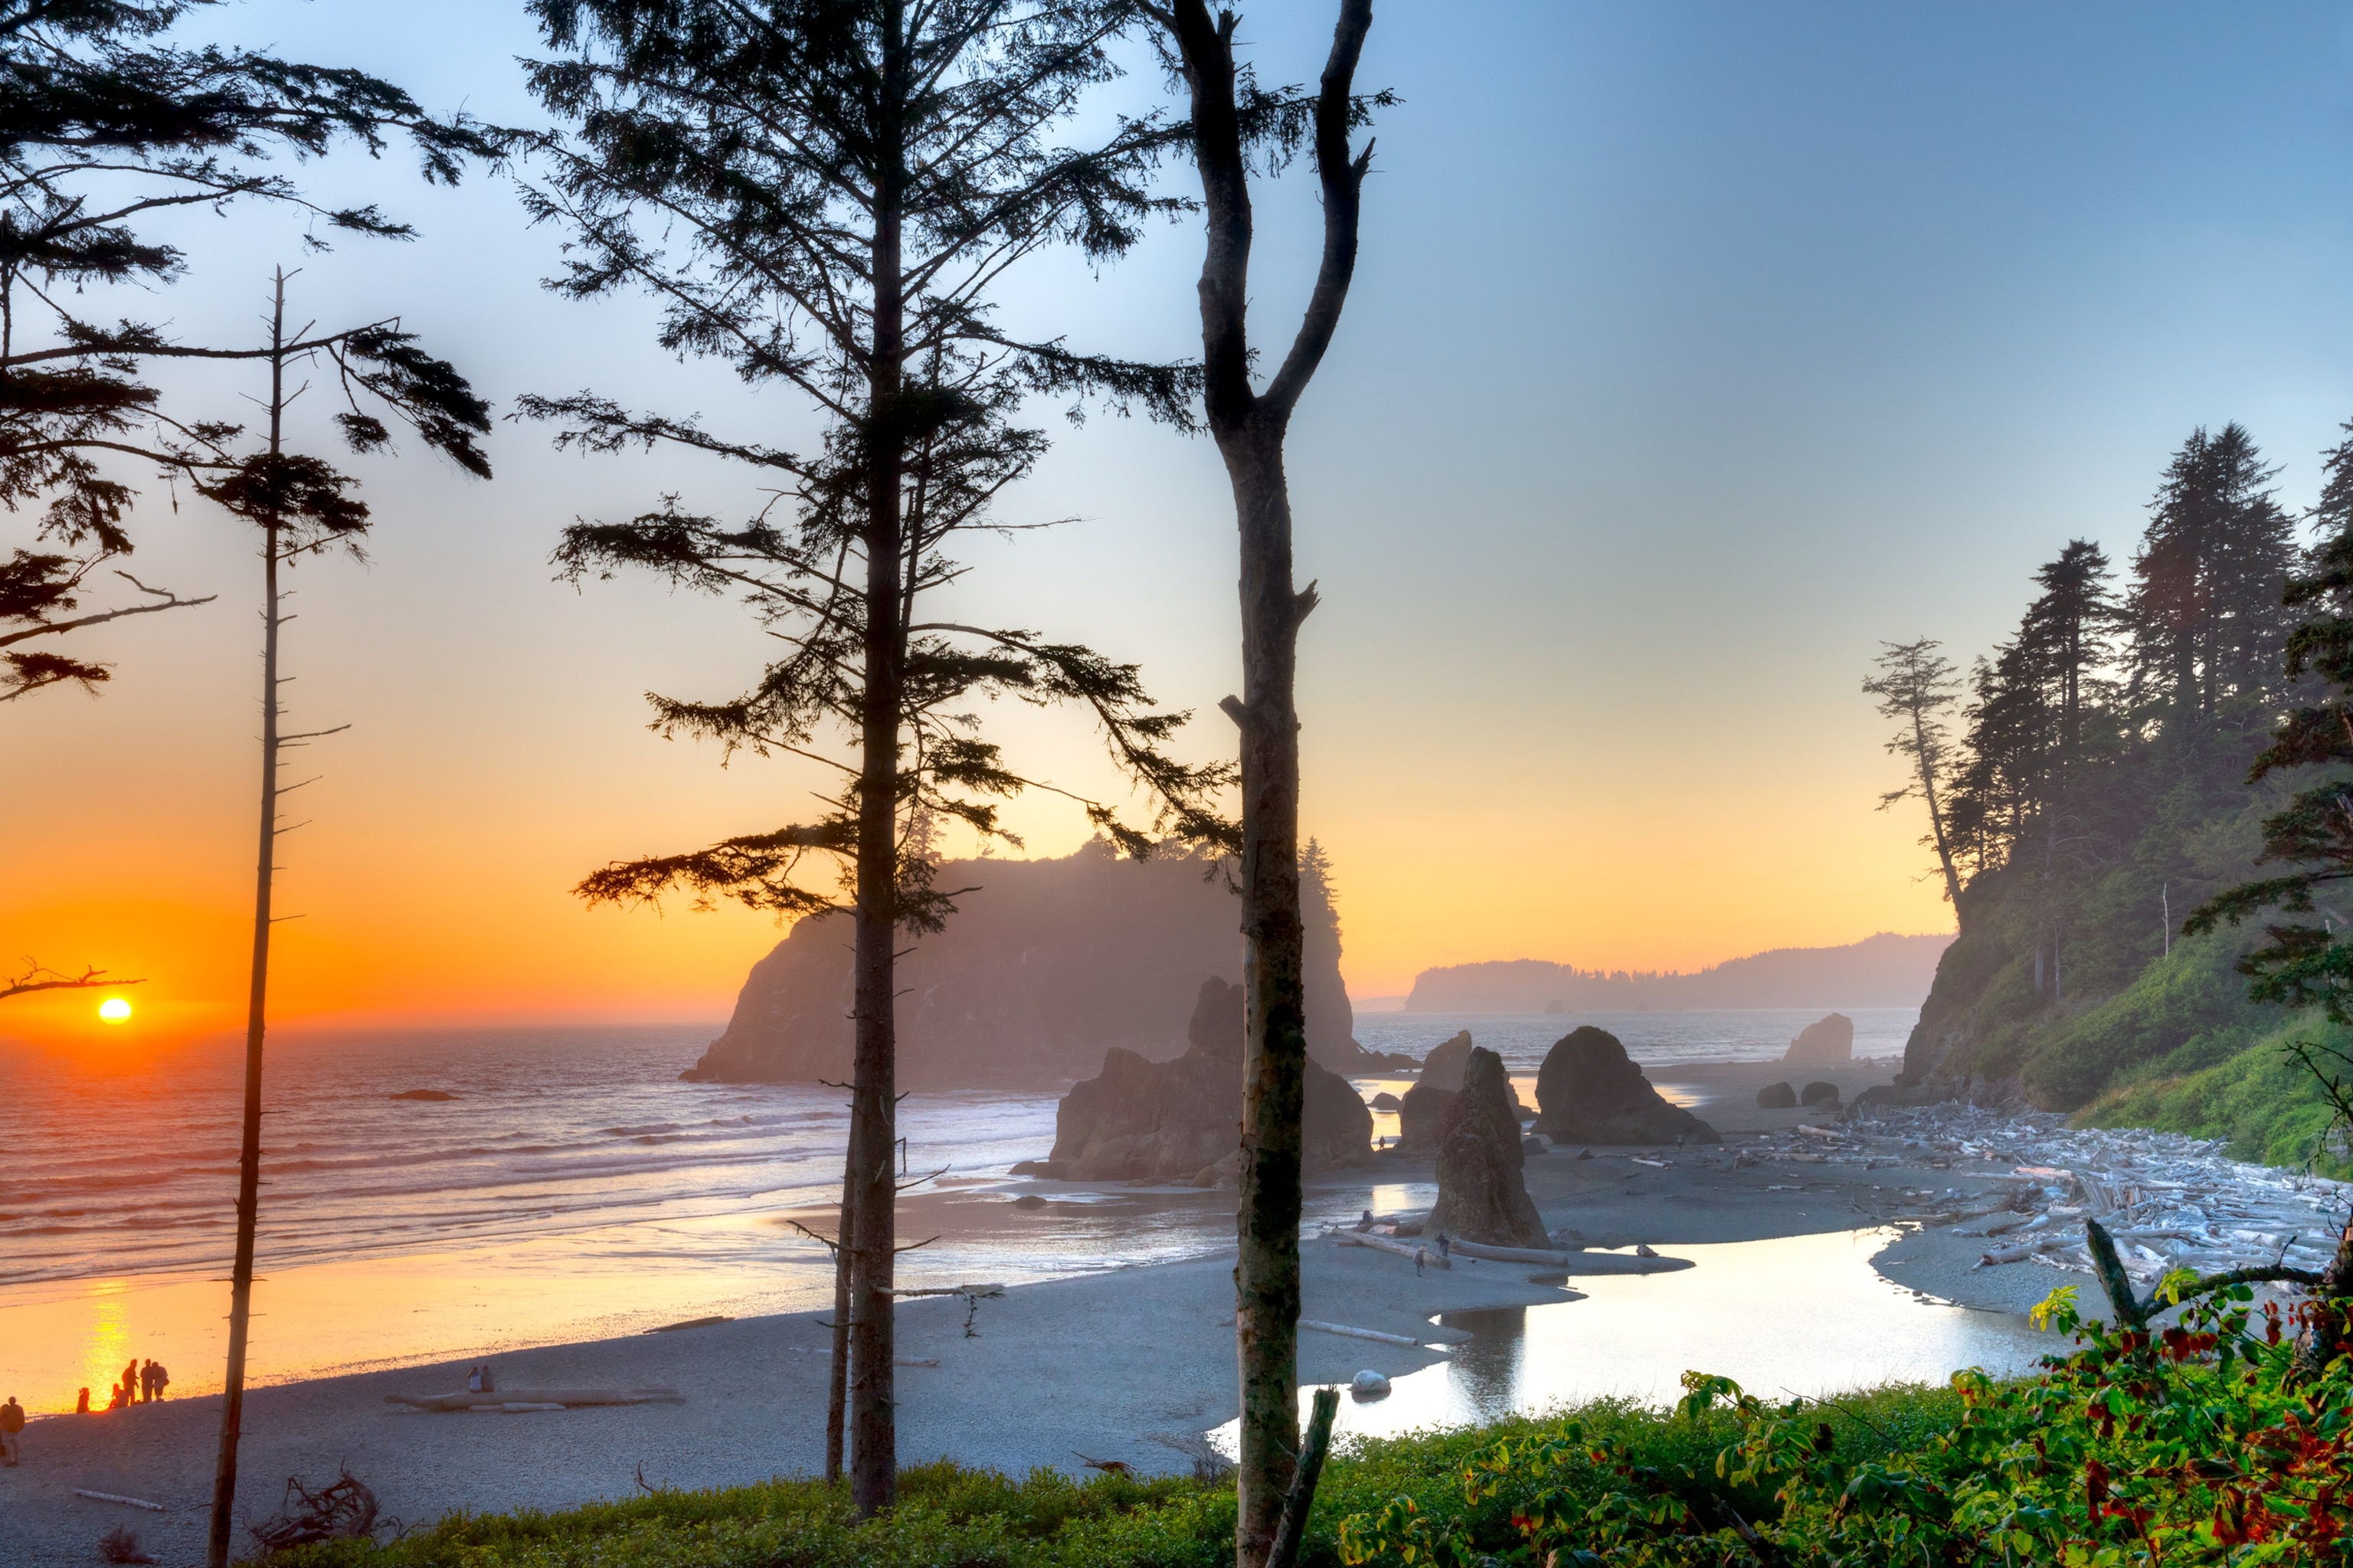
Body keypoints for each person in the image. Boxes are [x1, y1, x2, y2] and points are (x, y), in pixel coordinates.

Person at [0, 1394, 23, 1466]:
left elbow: (1, 1416)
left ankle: (9, 1460)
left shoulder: (7, 1409)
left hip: (8, 1429)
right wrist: (20, 1427)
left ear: (9, 1401)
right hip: (16, 1429)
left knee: (7, 1444)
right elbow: (22, 1419)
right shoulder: (19, 1408)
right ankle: (16, 1459)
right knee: (15, 1443)